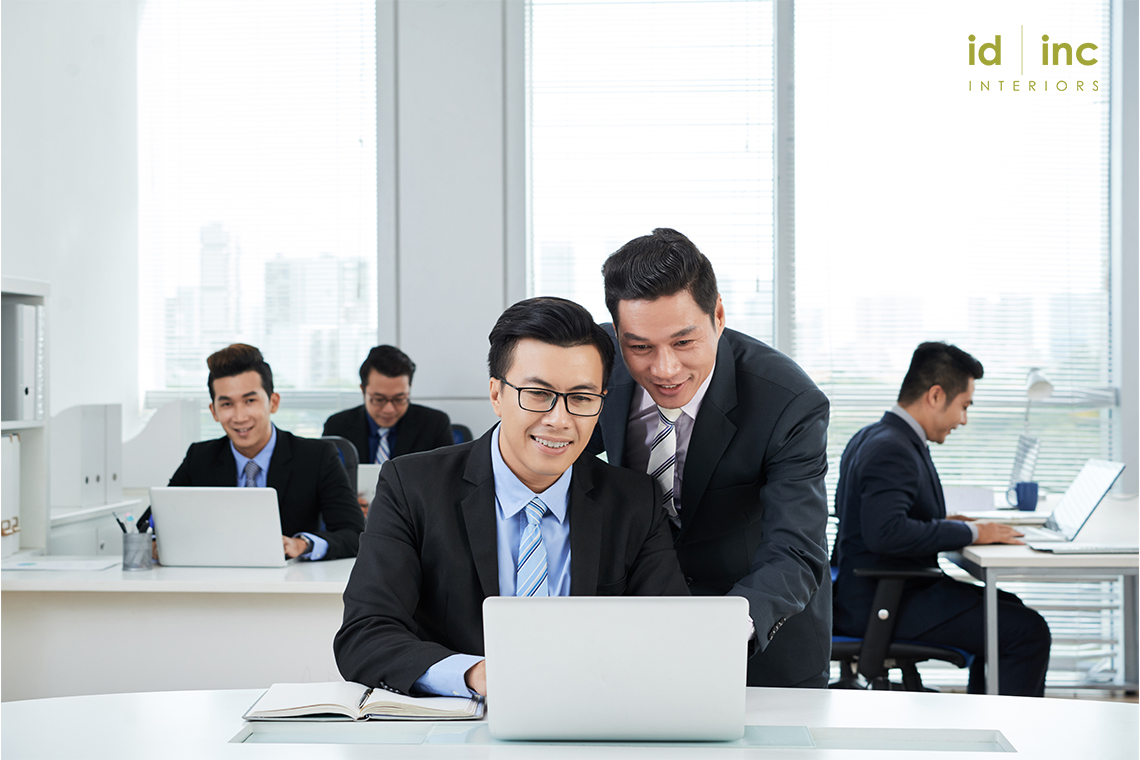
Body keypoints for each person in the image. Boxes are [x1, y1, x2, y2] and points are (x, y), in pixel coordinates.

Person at [334, 297, 689, 697]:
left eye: (582, 398)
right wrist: (475, 676)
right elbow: (365, 634)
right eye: (538, 394)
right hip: (457, 732)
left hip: (591, 717)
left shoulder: (633, 501)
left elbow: (668, 633)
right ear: (496, 394)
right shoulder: (412, 485)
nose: (559, 419)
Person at [588, 228, 832, 688]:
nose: (664, 369)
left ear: (717, 315)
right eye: (639, 346)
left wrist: (721, 634)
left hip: (760, 645)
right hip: (634, 636)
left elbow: (796, 549)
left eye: (684, 342)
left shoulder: (788, 402)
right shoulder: (595, 363)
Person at [831, 342, 1050, 696]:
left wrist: (945, 520)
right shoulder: (893, 448)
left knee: (1008, 608)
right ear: (935, 396)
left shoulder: (876, 436)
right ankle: (1011, 737)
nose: (963, 419)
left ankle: (988, 718)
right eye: (964, 406)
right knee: (1026, 631)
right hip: (882, 601)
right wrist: (971, 532)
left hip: (879, 590)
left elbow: (873, 516)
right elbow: (885, 532)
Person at [167, 344, 365, 561]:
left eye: (250, 401)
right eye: (226, 404)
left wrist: (302, 544)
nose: (240, 416)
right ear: (214, 411)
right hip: (217, 582)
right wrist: (157, 543)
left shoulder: (316, 456)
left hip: (289, 586)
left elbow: (354, 534)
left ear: (273, 402)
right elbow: (152, 523)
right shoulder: (200, 458)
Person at [323, 345, 454, 468]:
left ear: (409, 389)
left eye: (399, 399)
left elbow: (448, 482)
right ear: (363, 390)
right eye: (379, 399)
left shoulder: (435, 424)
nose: (389, 409)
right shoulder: (337, 426)